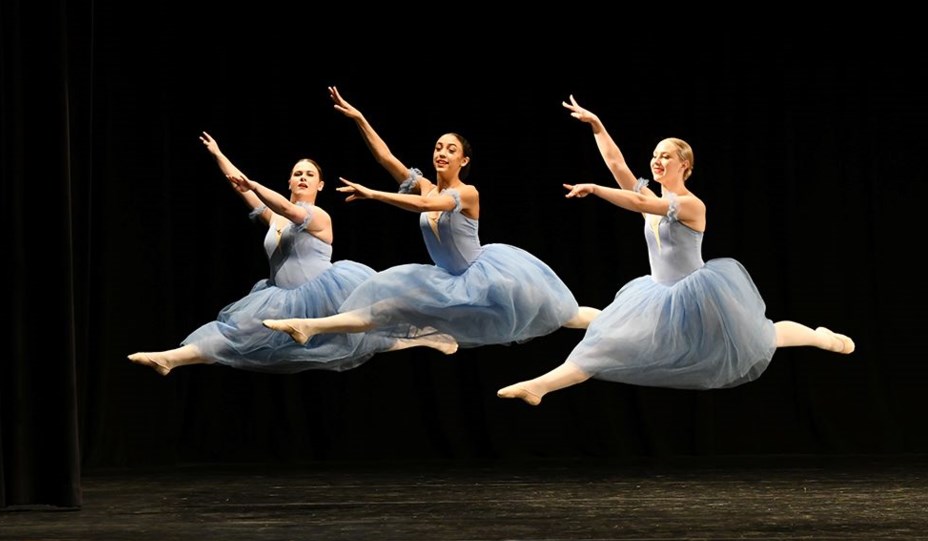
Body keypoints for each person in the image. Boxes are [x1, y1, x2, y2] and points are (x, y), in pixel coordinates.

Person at [496, 95, 855, 405]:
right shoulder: (654, 196)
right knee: (604, 342)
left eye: (665, 156)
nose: (657, 160)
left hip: (700, 294)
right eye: (655, 155)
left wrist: (596, 189)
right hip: (657, 293)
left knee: (764, 336)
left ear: (685, 165)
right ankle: (538, 386)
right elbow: (619, 166)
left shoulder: (690, 205)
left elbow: (638, 202)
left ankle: (821, 338)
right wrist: (597, 126)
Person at [262, 87, 600, 349]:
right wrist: (359, 119)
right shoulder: (424, 186)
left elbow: (427, 207)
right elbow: (386, 158)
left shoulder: (468, 193)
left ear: (464, 161)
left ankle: (616, 321)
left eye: (451, 150)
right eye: (439, 147)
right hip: (446, 280)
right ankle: (307, 327)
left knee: (565, 315)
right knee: (386, 308)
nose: (442, 153)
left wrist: (374, 194)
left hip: (488, 277)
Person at [127, 132, 457, 376]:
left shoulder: (319, 216)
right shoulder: (274, 219)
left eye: (309, 174)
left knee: (372, 328)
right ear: (289, 179)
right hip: (278, 298)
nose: (302, 177)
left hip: (324, 293)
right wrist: (218, 154)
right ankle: (169, 358)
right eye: (297, 173)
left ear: (320, 186)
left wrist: (255, 185)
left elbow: (285, 206)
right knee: (233, 336)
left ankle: (429, 337)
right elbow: (238, 185)